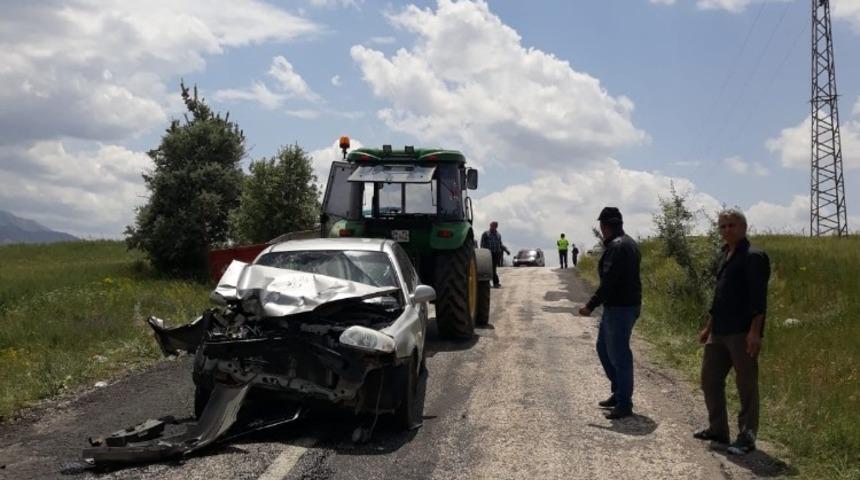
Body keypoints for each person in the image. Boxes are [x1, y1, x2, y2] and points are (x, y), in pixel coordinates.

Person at [693, 209, 770, 455]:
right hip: (720, 330)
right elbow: (720, 296)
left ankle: (747, 436)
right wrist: (708, 327)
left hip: (742, 332)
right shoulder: (724, 254)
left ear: (744, 227)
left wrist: (755, 332)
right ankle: (718, 430)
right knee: (709, 379)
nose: (726, 230)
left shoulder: (754, 256)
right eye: (722, 226)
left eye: (731, 225)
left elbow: (759, 299)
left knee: (746, 384)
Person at [578, 207, 642, 420]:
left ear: (604, 226)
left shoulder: (618, 247)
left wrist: (590, 305)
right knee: (603, 348)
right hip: (621, 306)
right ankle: (618, 392)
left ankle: (624, 402)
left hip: (620, 308)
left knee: (619, 354)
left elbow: (609, 282)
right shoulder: (629, 244)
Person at [480, 221, 509, 288]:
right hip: (488, 254)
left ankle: (495, 283)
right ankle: (491, 283)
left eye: (495, 226)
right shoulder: (486, 234)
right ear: (490, 225)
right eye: (493, 225)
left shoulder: (498, 235)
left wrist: (506, 250)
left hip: (496, 254)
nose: (494, 227)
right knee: (488, 269)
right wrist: (482, 253)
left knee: (493, 268)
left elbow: (500, 245)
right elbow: (482, 244)